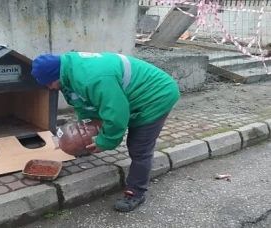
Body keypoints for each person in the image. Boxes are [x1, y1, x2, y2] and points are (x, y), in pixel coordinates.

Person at [31, 51, 180, 212]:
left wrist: (105, 142)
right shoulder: (68, 73)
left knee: (139, 147)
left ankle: (135, 192)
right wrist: (87, 133)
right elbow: (84, 106)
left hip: (156, 96)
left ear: (55, 74)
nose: (50, 88)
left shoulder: (92, 78)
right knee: (112, 123)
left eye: (49, 83)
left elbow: (116, 114)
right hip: (128, 97)